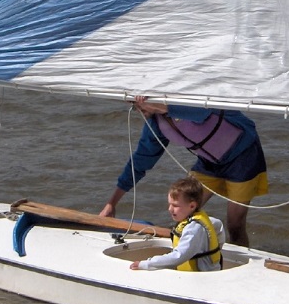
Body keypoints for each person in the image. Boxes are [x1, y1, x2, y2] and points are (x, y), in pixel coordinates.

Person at [101, 96, 267, 246]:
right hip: (209, 163)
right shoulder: (157, 125)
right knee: (183, 213)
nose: (139, 111)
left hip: (244, 157)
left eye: (141, 106)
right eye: (136, 107)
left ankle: (239, 267)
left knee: (235, 224)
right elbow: (139, 162)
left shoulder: (190, 99)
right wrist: (111, 203)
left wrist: (163, 106)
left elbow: (203, 112)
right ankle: (191, 255)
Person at [129, 176, 225, 271]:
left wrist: (146, 264)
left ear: (192, 206)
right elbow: (219, 226)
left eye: (175, 205)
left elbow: (179, 256)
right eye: (169, 204)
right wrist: (217, 247)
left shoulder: (194, 229)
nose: (170, 209)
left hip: (200, 277)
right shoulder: (205, 220)